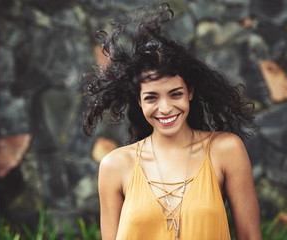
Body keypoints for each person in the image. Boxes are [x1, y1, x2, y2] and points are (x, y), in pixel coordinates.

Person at [82, 3, 262, 240]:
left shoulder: (225, 150)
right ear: (138, 101)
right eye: (151, 97)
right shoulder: (115, 166)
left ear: (190, 92)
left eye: (175, 94)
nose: (165, 108)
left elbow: (250, 236)